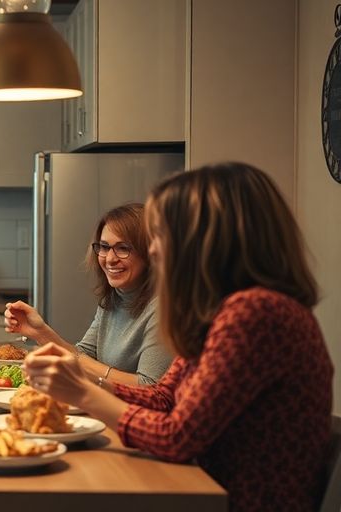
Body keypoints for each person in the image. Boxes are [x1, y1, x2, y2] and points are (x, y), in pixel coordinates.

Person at [22, 163, 333, 511]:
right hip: (200, 491)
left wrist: (82, 391)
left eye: (162, 233)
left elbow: (175, 437)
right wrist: (80, 382)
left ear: (210, 239)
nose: (153, 250)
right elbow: (164, 397)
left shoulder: (256, 313)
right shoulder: (221, 309)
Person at [5, 203, 173, 386]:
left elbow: (148, 386)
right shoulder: (113, 299)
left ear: (150, 253)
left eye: (123, 248)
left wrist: (79, 362)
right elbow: (83, 355)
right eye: (104, 247)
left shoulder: (164, 309)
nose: (110, 258)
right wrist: (40, 332)